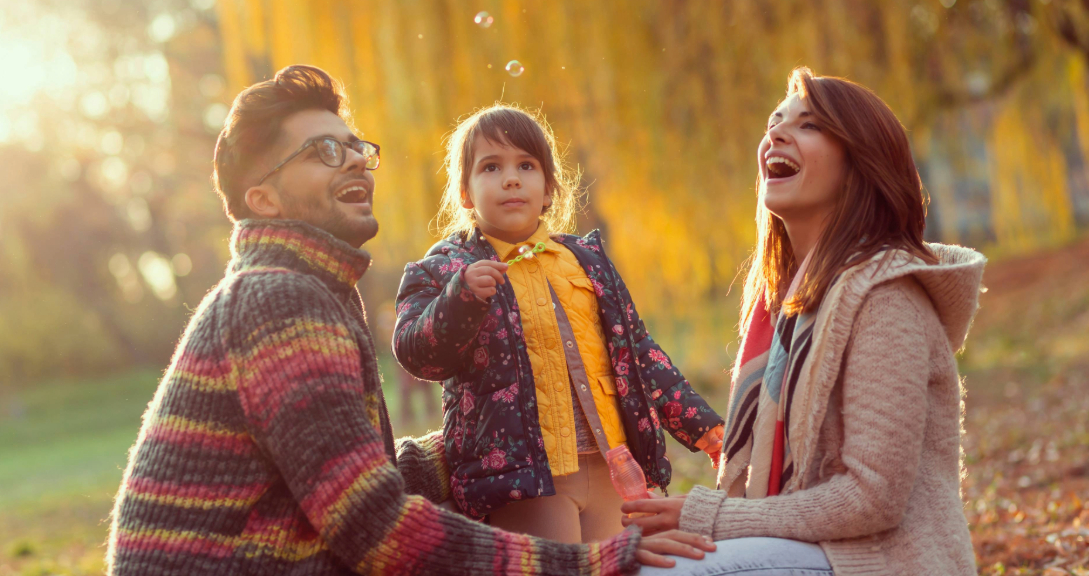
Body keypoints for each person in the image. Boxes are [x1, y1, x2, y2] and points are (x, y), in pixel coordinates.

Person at [106, 65, 711, 575]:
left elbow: (351, 481)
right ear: (263, 199)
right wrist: (583, 562)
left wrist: (491, 443)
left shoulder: (309, 290)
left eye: (357, 148)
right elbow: (372, 524)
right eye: (324, 152)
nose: (356, 163)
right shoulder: (278, 302)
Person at [622, 68, 984, 575]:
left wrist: (709, 516)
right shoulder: (783, 303)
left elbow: (872, 498)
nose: (776, 134)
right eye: (775, 121)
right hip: (814, 552)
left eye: (810, 125)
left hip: (881, 561)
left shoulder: (887, 299)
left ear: (860, 164)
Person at [392, 105, 726, 544]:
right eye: (491, 167)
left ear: (549, 189)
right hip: (524, 474)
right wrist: (461, 298)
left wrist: (705, 429)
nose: (511, 178)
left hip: (610, 461)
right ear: (465, 192)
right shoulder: (447, 269)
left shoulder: (586, 263)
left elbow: (639, 355)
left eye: (526, 166)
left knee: (617, 565)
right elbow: (419, 354)